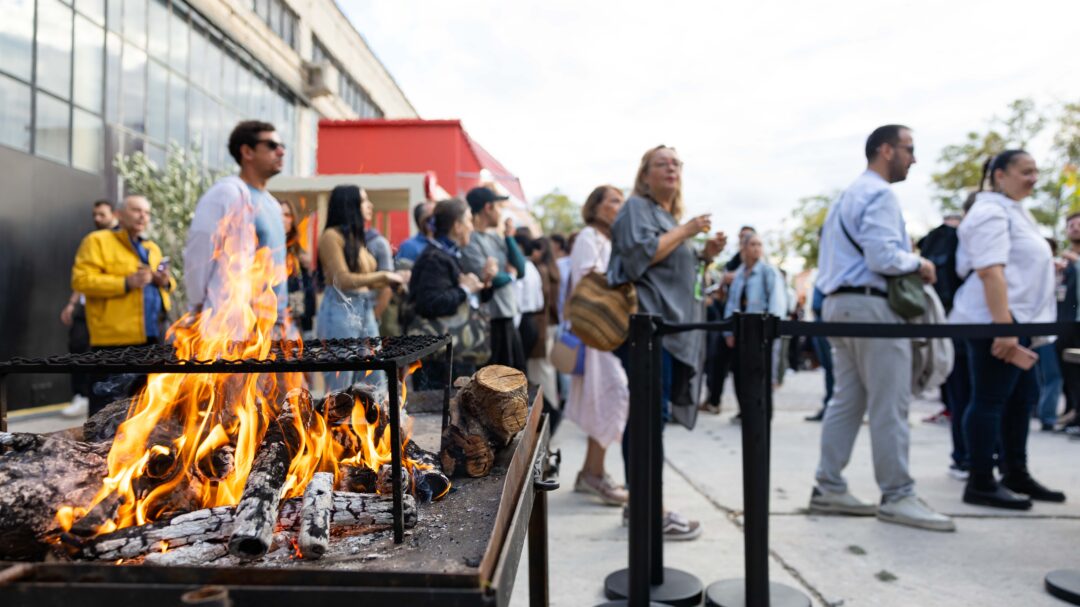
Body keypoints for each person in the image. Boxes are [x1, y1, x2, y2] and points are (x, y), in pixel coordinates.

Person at [810, 125, 954, 532]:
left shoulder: (847, 197)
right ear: (886, 150)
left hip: (840, 306)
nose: (914, 158)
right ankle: (897, 494)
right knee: (889, 403)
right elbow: (883, 257)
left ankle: (829, 485)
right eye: (909, 149)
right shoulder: (879, 194)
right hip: (871, 308)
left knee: (848, 400)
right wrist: (920, 264)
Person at [608, 145, 727, 541]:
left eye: (677, 163)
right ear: (644, 175)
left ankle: (640, 507)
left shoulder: (664, 216)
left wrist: (704, 255)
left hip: (669, 333)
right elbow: (641, 257)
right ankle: (647, 511)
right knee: (647, 421)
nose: (672, 168)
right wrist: (688, 231)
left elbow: (678, 271)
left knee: (648, 420)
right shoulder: (636, 209)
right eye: (663, 163)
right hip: (647, 331)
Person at [950, 150, 1065, 509]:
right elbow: (989, 271)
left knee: (1021, 398)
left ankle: (1015, 472)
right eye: (1025, 172)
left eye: (1036, 171)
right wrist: (1004, 328)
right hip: (996, 322)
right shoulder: (989, 211)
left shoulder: (1015, 210)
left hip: (1017, 322)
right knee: (989, 400)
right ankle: (980, 481)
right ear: (1000, 175)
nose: (1033, 178)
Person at [72, 195, 174, 416]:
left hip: (151, 342)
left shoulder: (151, 247)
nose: (142, 216)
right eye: (137, 210)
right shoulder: (97, 241)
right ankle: (97, 451)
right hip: (113, 343)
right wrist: (126, 283)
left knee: (144, 411)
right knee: (105, 412)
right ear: (119, 214)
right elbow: (81, 281)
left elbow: (166, 284)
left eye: (146, 212)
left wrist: (164, 281)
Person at [185, 121, 289, 331]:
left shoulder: (273, 204)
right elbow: (199, 253)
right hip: (234, 325)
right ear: (247, 152)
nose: (280, 151)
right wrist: (198, 305)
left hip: (270, 323)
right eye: (271, 145)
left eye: (282, 146)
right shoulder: (227, 193)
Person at [566, 185, 630, 506]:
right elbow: (588, 280)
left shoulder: (609, 240)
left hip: (611, 331)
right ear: (597, 206)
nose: (620, 206)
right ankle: (593, 474)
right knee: (612, 393)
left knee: (608, 397)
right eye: (614, 201)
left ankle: (591, 472)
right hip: (596, 332)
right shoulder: (588, 238)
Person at [316, 185, 404, 391]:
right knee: (342, 380)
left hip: (363, 308)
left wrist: (393, 281)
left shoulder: (355, 237)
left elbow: (364, 279)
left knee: (376, 376)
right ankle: (339, 423)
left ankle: (382, 422)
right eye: (364, 200)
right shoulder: (331, 236)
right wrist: (384, 275)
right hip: (339, 309)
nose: (370, 205)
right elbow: (343, 279)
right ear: (350, 205)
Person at [406, 198, 486, 385]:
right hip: (439, 363)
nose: (471, 227)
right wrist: (465, 289)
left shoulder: (446, 254)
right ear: (457, 226)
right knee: (442, 413)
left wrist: (481, 284)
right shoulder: (435, 258)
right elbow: (430, 302)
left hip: (447, 358)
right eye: (468, 221)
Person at [60, 199, 120, 418]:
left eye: (102, 214)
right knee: (77, 346)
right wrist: (72, 303)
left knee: (105, 356)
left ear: (114, 214)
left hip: (110, 310)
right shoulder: (93, 240)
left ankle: (104, 403)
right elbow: (85, 277)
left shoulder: (123, 241)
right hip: (87, 306)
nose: (97, 219)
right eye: (95, 214)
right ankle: (80, 396)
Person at [460, 186, 527, 371]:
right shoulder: (471, 240)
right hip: (490, 319)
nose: (501, 212)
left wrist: (509, 238)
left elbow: (521, 269)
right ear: (488, 207)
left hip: (507, 313)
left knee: (517, 373)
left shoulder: (496, 238)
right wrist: (510, 276)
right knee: (498, 379)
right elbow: (489, 278)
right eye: (498, 207)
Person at [723, 232, 786, 420]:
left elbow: (777, 302)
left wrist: (772, 329)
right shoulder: (740, 274)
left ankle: (763, 414)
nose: (757, 248)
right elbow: (732, 303)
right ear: (743, 248)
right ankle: (746, 411)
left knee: (762, 374)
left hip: (761, 332)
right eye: (752, 244)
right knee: (741, 373)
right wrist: (728, 331)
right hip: (741, 331)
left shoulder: (768, 272)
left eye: (759, 244)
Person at [1056, 213, 1080, 433]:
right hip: (1064, 323)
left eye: (1078, 223)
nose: (1074, 227)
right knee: (1069, 372)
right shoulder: (1064, 262)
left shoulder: (1074, 261)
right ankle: (1073, 412)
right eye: (1070, 224)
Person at [280, 199, 315, 336]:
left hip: (297, 317)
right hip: (271, 318)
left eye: (287, 215)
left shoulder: (296, 248)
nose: (283, 219)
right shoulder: (264, 248)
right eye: (280, 214)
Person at [804, 285, 834, 422]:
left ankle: (831, 406)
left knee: (833, 369)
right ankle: (829, 405)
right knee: (830, 369)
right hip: (822, 324)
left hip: (827, 324)